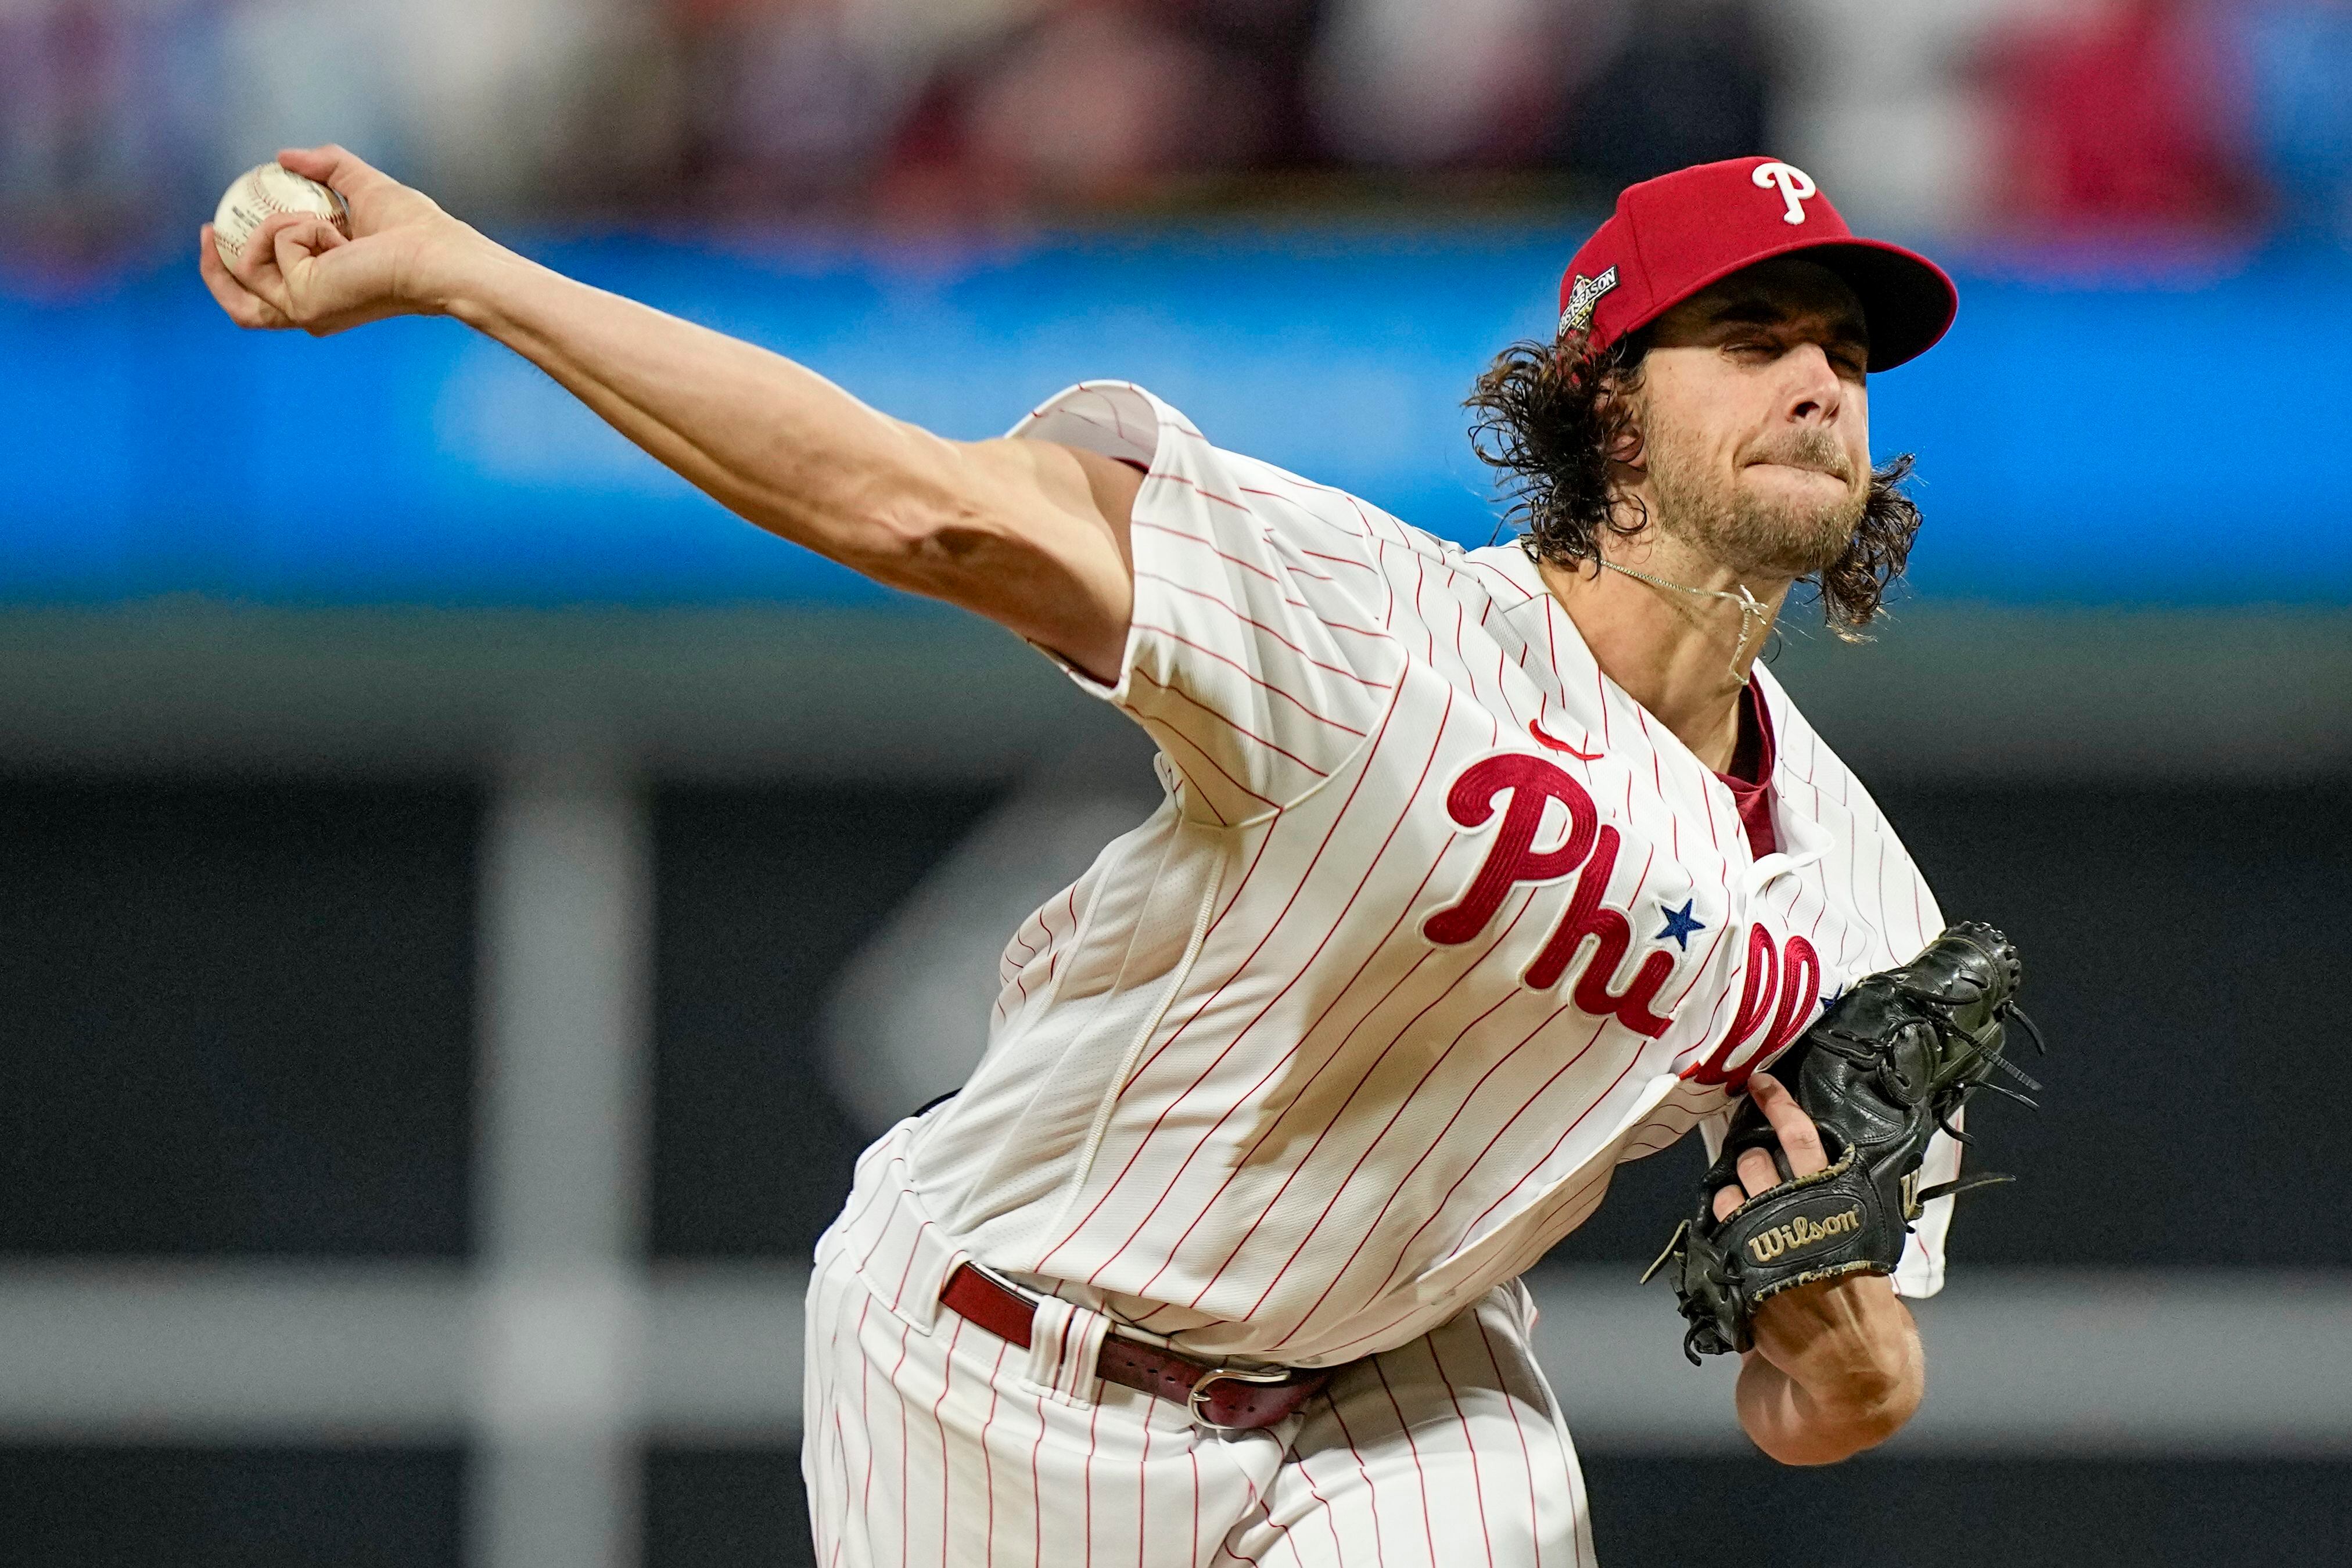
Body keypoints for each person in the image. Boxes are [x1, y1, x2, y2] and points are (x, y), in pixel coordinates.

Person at [201, 149, 1964, 1566]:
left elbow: (1825, 1405)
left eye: (1845, 352)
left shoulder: (1860, 906)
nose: (1819, 379)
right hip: (997, 1354)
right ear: (1607, 411)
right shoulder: (1374, 632)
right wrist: (466, 272)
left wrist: (1839, 1331)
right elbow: (920, 503)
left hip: (1392, 1391)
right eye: (1753, 334)